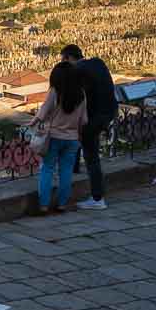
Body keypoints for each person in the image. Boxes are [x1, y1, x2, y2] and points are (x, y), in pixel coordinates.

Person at [60, 44, 118, 210]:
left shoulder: (76, 71)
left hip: (94, 118)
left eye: (63, 60)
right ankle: (77, 170)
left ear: (68, 58)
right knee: (88, 149)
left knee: (91, 157)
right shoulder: (97, 62)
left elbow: (78, 99)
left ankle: (97, 198)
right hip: (109, 111)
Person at [32, 61, 87, 215]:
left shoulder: (55, 92)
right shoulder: (81, 94)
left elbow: (43, 112)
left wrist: (33, 122)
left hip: (54, 137)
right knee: (67, 171)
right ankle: (62, 204)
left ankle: (43, 205)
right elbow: (84, 120)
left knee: (47, 169)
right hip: (73, 139)